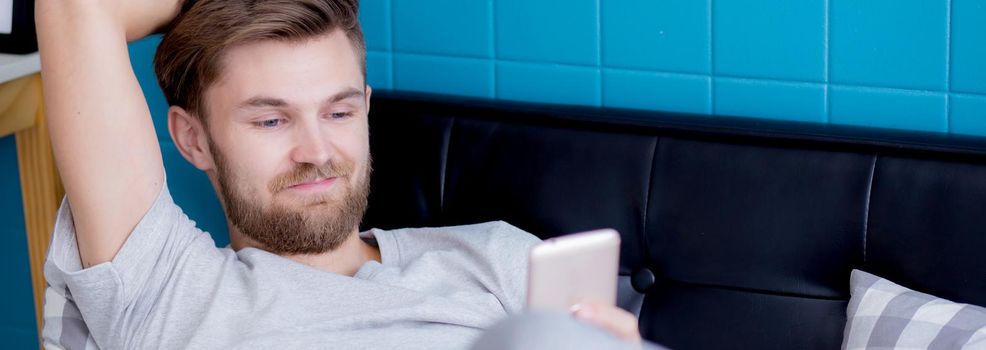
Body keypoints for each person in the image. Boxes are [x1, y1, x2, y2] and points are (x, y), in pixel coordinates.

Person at [36, 0, 657, 348]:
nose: (317, 150)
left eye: (338, 112)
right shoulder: (165, 288)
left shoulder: (497, 260)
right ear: (192, 139)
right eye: (271, 121)